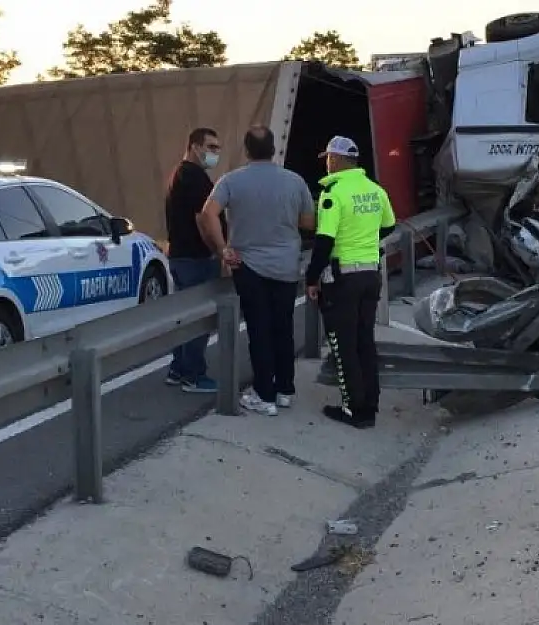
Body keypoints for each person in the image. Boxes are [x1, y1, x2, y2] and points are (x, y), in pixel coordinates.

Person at [198, 125, 315, 416]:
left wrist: (224, 247)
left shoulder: (231, 181)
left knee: (259, 329)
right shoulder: (295, 181)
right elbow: (308, 223)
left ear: (247, 150)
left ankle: (264, 395)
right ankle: (285, 389)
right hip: (287, 265)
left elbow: (208, 213)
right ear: (273, 149)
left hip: (248, 266)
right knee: (283, 327)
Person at [305, 136, 396, 429]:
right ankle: (370, 404)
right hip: (371, 275)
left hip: (343, 278)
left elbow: (324, 240)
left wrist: (311, 277)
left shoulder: (333, 193)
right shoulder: (375, 190)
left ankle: (353, 409)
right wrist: (364, 242)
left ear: (336, 159)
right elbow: (389, 225)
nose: (327, 163)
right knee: (364, 341)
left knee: (343, 345)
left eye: (328, 158)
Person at [164, 127, 224, 392]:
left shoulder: (179, 174)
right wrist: (219, 250)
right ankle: (194, 375)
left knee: (184, 317)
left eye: (217, 148)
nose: (215, 153)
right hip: (196, 258)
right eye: (211, 147)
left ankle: (178, 369)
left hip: (180, 256)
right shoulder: (196, 177)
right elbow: (204, 220)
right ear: (195, 146)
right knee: (199, 319)